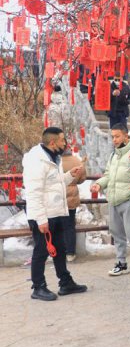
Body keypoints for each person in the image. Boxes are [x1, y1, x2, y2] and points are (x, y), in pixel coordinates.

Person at [22, 127, 88, 301]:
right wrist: (41, 220)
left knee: (60, 249)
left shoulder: (53, 157)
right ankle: (38, 287)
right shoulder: (37, 161)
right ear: (52, 142)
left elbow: (53, 184)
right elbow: (34, 192)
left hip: (56, 212)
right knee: (41, 251)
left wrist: (68, 176)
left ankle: (65, 282)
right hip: (43, 215)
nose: (64, 143)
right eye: (62, 140)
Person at [91, 123, 130, 277]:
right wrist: (99, 184)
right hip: (114, 200)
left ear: (125, 136)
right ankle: (121, 262)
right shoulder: (114, 155)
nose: (114, 140)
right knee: (117, 234)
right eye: (112, 137)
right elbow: (108, 175)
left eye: (117, 136)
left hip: (128, 202)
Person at [61, 146, 87, 262]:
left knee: (57, 225)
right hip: (72, 195)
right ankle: (70, 253)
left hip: (58, 196)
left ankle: (58, 251)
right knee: (70, 225)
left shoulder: (55, 161)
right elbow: (82, 178)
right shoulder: (76, 160)